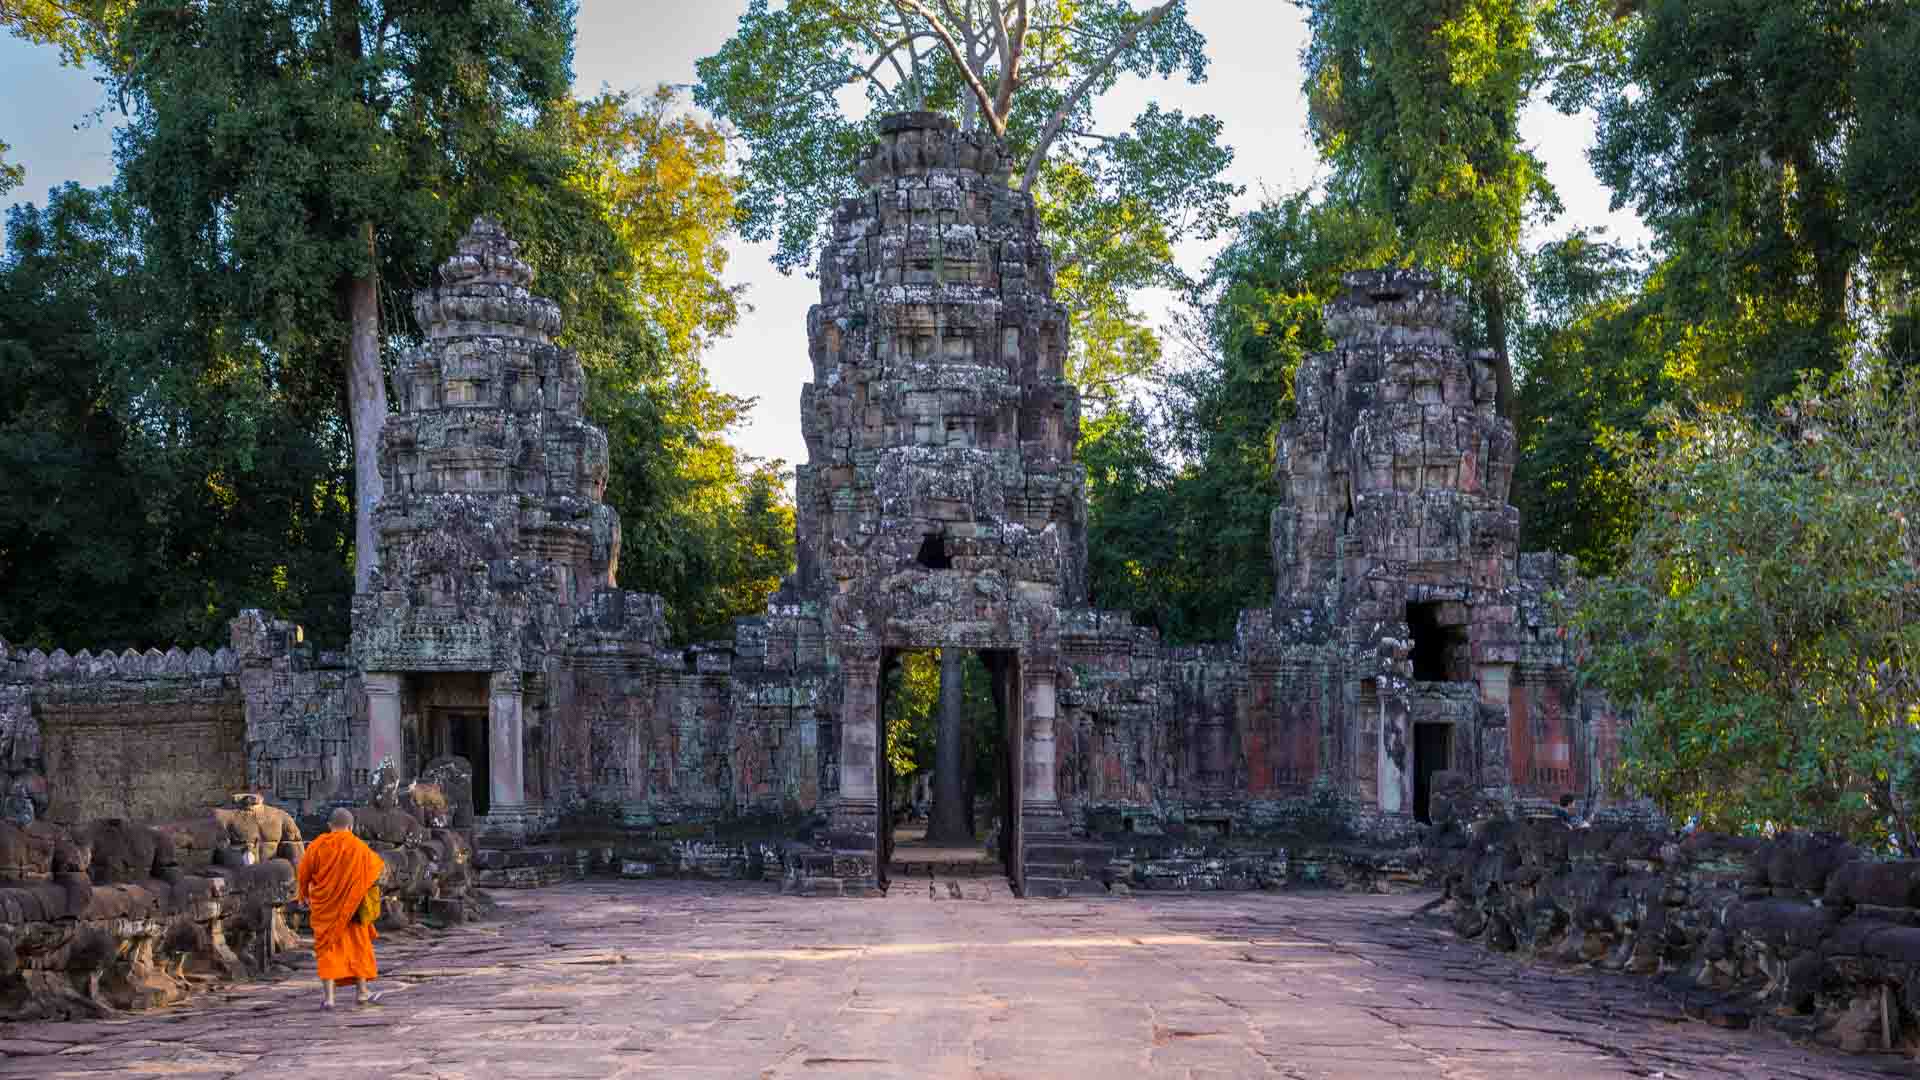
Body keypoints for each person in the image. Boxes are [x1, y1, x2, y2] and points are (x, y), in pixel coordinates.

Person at [295, 807, 386, 1009]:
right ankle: (362, 992)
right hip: (352, 908)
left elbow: (303, 873)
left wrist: (303, 895)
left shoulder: (317, 845)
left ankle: (329, 998)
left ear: (329, 826)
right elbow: (375, 872)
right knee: (358, 947)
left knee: (327, 949)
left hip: (324, 907)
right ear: (351, 827)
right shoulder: (359, 847)